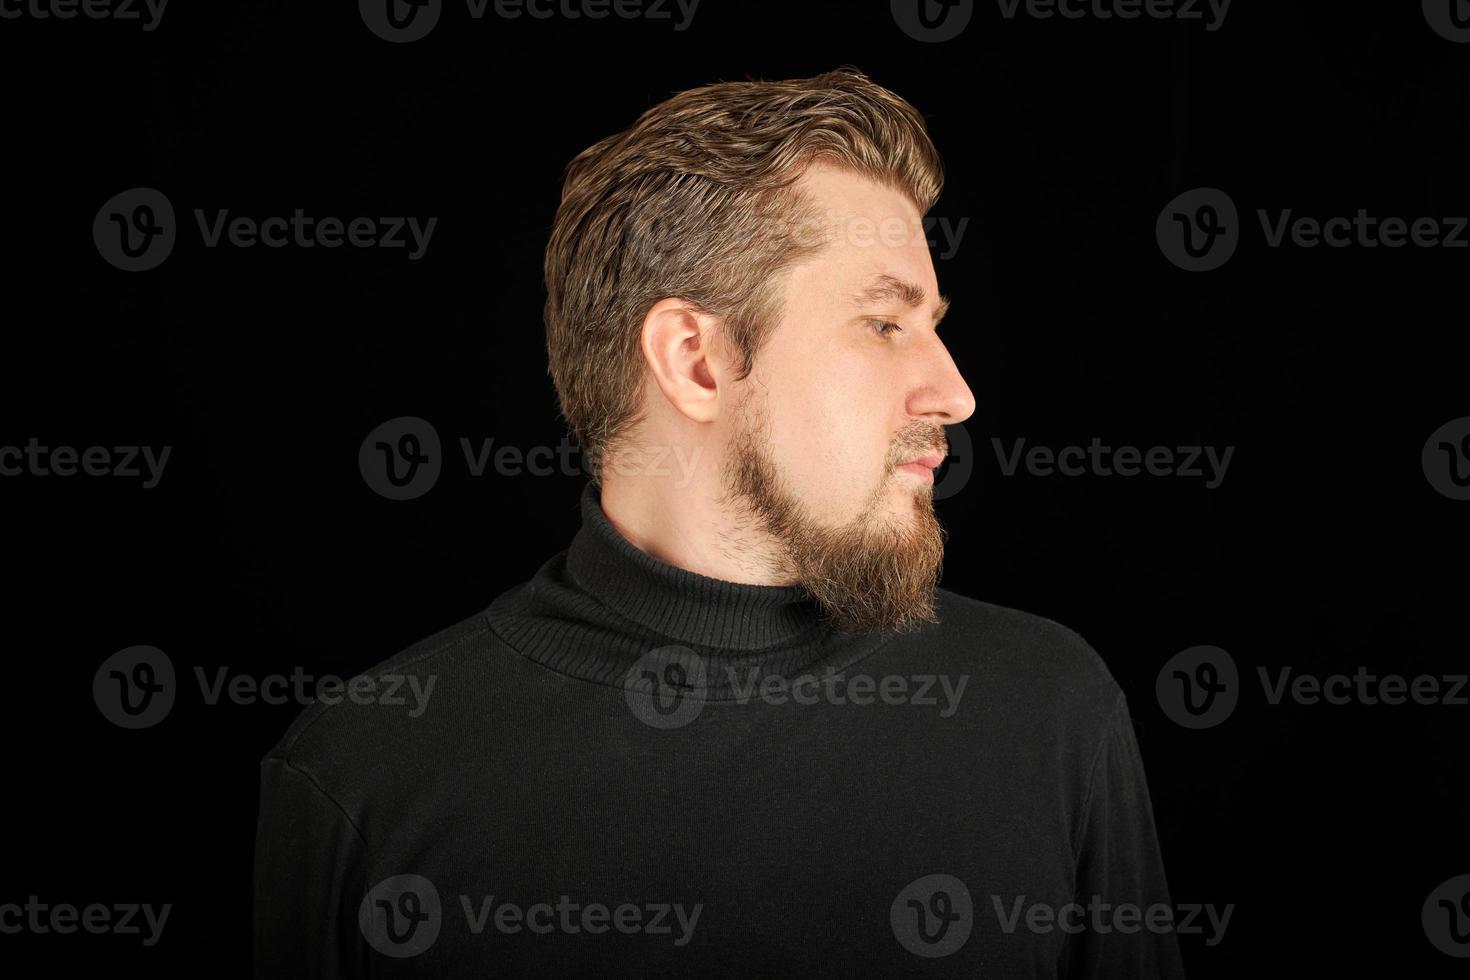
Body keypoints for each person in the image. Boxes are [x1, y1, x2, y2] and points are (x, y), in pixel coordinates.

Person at [253, 66, 1185, 978]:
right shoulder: (364, 778)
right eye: (885, 325)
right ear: (695, 361)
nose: (956, 392)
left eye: (934, 324)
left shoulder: (1052, 712)